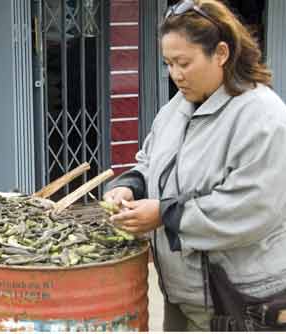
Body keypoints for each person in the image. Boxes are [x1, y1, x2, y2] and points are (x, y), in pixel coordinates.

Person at [104, 0, 286, 331]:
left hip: (242, 304)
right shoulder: (176, 109)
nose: (175, 75)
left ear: (221, 53)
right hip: (184, 297)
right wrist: (129, 187)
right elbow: (150, 162)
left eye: (184, 63)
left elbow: (252, 206)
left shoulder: (262, 116)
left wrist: (164, 214)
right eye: (168, 63)